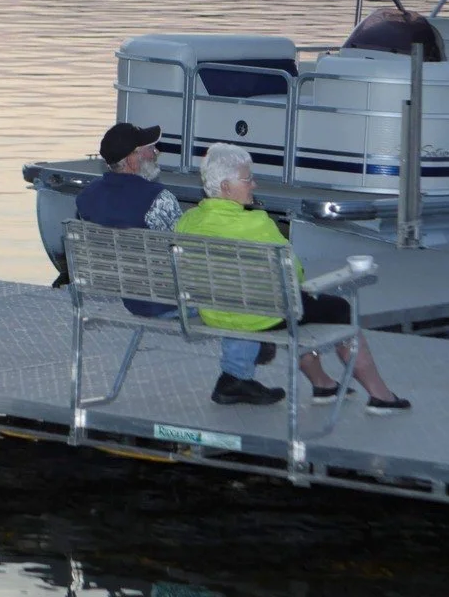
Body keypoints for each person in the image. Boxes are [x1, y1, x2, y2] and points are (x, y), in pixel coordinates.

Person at [174, 142, 410, 412]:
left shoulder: (188, 221)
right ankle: (381, 395)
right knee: (337, 308)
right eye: (248, 179)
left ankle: (323, 384)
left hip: (214, 311)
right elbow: (294, 273)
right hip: (261, 315)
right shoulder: (257, 223)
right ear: (226, 187)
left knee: (302, 306)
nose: (254, 185)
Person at [75, 121, 282, 404]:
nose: (156, 153)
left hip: (128, 295)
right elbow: (189, 257)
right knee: (237, 285)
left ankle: (250, 347)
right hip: (166, 301)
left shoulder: (86, 197)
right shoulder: (157, 199)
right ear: (132, 160)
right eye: (149, 149)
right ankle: (237, 377)